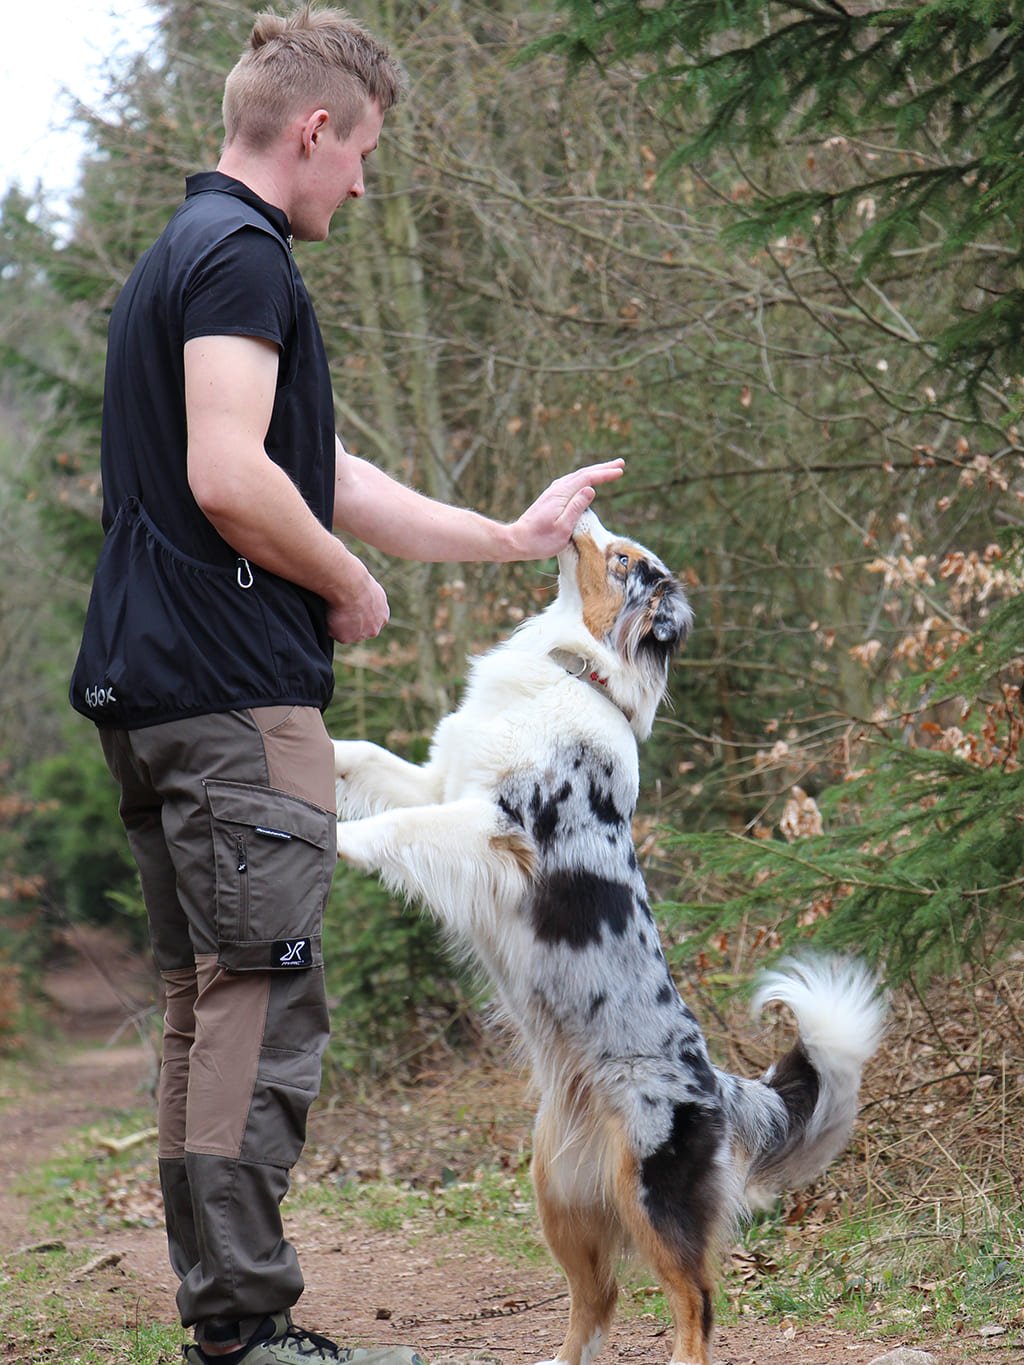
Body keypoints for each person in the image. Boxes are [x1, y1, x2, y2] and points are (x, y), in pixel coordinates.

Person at [69, 6, 624, 1365]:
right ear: (313, 131)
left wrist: (509, 536)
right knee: (263, 1004)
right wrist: (347, 585)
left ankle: (229, 1316)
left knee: (218, 1005)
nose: (366, 183)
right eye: (363, 151)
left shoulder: (181, 258)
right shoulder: (244, 257)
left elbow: (319, 471)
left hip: (158, 697)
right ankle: (249, 1331)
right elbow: (233, 474)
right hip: (231, 698)